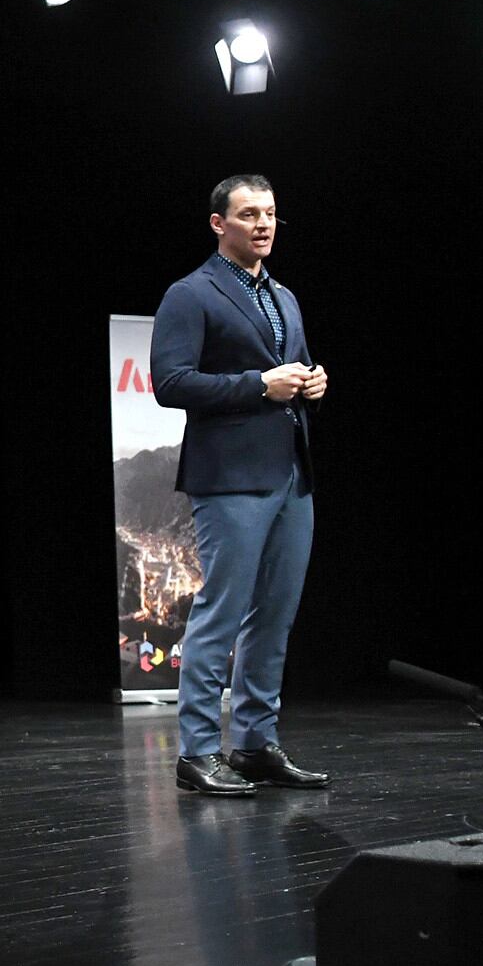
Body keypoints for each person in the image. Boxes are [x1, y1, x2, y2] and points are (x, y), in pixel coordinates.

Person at [150, 175, 330, 796]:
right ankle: (198, 751)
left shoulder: (284, 297)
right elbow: (170, 383)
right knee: (221, 613)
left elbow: (295, 367)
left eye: (272, 214)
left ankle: (254, 743)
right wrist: (259, 384)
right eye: (249, 214)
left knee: (274, 615)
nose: (263, 224)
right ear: (217, 223)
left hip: (290, 472)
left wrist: (312, 381)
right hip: (230, 477)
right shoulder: (190, 293)